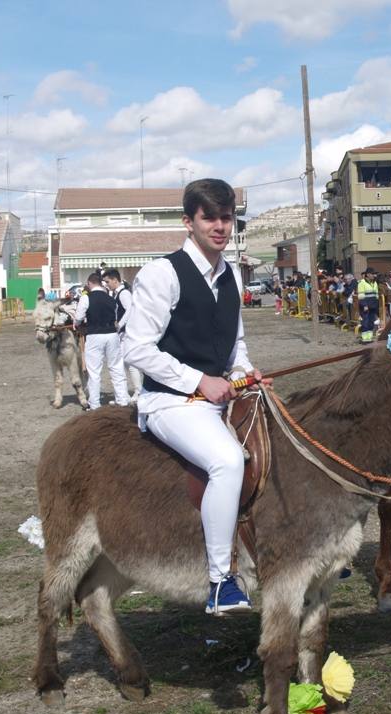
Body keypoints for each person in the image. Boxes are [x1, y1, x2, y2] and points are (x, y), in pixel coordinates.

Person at [122, 178, 262, 615]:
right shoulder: (162, 273)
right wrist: (198, 381)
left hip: (222, 395)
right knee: (227, 461)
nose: (220, 226)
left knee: (285, 439)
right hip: (169, 402)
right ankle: (221, 581)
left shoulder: (232, 272)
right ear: (189, 222)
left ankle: (284, 550)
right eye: (210, 218)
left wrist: (244, 374)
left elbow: (235, 344)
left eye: (227, 218)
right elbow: (136, 348)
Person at [74, 272, 129, 410]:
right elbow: (115, 316)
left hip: (94, 335)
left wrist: (78, 323)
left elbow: (78, 317)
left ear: (89, 283)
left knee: (94, 372)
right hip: (112, 334)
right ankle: (122, 401)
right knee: (116, 368)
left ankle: (95, 404)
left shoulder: (86, 298)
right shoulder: (111, 299)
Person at [103, 268, 142, 403]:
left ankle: (138, 391)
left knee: (130, 362)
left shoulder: (123, 293)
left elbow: (131, 309)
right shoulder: (116, 294)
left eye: (108, 281)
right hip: (122, 333)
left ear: (115, 280)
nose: (107, 284)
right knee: (125, 363)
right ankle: (126, 393)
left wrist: (119, 324)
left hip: (127, 333)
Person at [356, 267, 380, 343]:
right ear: (368, 274)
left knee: (371, 323)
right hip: (365, 307)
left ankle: (369, 339)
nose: (374, 275)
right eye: (373, 274)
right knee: (365, 322)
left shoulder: (374, 283)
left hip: (373, 306)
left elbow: (376, 295)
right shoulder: (362, 283)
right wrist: (364, 305)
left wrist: (376, 305)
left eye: (374, 274)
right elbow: (361, 296)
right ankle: (364, 339)